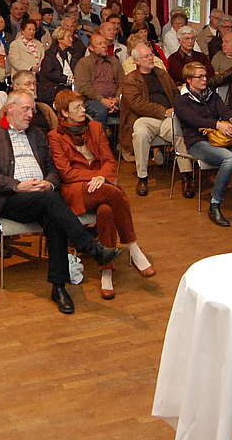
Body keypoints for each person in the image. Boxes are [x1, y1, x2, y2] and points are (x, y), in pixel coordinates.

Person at [0, 91, 121, 314]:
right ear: (9, 109)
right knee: (52, 203)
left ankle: (58, 287)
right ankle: (90, 247)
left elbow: (53, 169)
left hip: (41, 197)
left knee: (53, 214)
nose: (31, 114)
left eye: (32, 109)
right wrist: (16, 185)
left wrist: (49, 183)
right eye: (26, 109)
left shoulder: (37, 134)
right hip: (7, 199)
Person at [49, 90, 154, 299]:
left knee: (106, 211)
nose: (83, 110)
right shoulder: (55, 136)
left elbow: (108, 160)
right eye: (77, 107)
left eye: (82, 106)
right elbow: (66, 172)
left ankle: (106, 271)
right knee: (114, 193)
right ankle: (132, 246)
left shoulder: (95, 127)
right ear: (64, 113)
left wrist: (102, 177)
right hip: (76, 189)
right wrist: (94, 177)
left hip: (101, 185)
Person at [174, 62, 232, 226]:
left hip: (220, 140)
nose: (204, 79)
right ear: (189, 80)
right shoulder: (181, 100)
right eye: (199, 76)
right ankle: (215, 204)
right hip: (197, 142)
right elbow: (194, 120)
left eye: (205, 75)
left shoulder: (211, 95)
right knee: (229, 158)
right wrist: (217, 124)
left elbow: (224, 109)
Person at [119, 43, 193, 197]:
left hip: (169, 116)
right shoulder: (130, 79)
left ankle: (187, 176)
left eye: (151, 54)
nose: (151, 57)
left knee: (178, 131)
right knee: (140, 132)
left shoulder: (161, 73)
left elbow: (174, 92)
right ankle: (142, 177)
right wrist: (163, 111)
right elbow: (136, 104)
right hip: (144, 118)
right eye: (146, 56)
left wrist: (177, 108)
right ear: (137, 61)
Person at [74, 33, 123, 127]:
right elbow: (84, 87)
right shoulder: (84, 63)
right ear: (91, 48)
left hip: (114, 99)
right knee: (100, 111)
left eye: (105, 43)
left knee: (132, 107)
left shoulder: (114, 62)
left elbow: (122, 83)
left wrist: (116, 99)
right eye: (99, 44)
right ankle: (100, 140)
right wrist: (102, 100)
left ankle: (124, 141)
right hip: (92, 100)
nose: (104, 46)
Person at [38, 25, 82, 105]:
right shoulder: (50, 55)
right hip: (53, 89)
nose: (71, 39)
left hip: (70, 86)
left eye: (71, 37)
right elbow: (49, 73)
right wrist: (66, 79)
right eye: (68, 37)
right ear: (59, 39)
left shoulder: (72, 53)